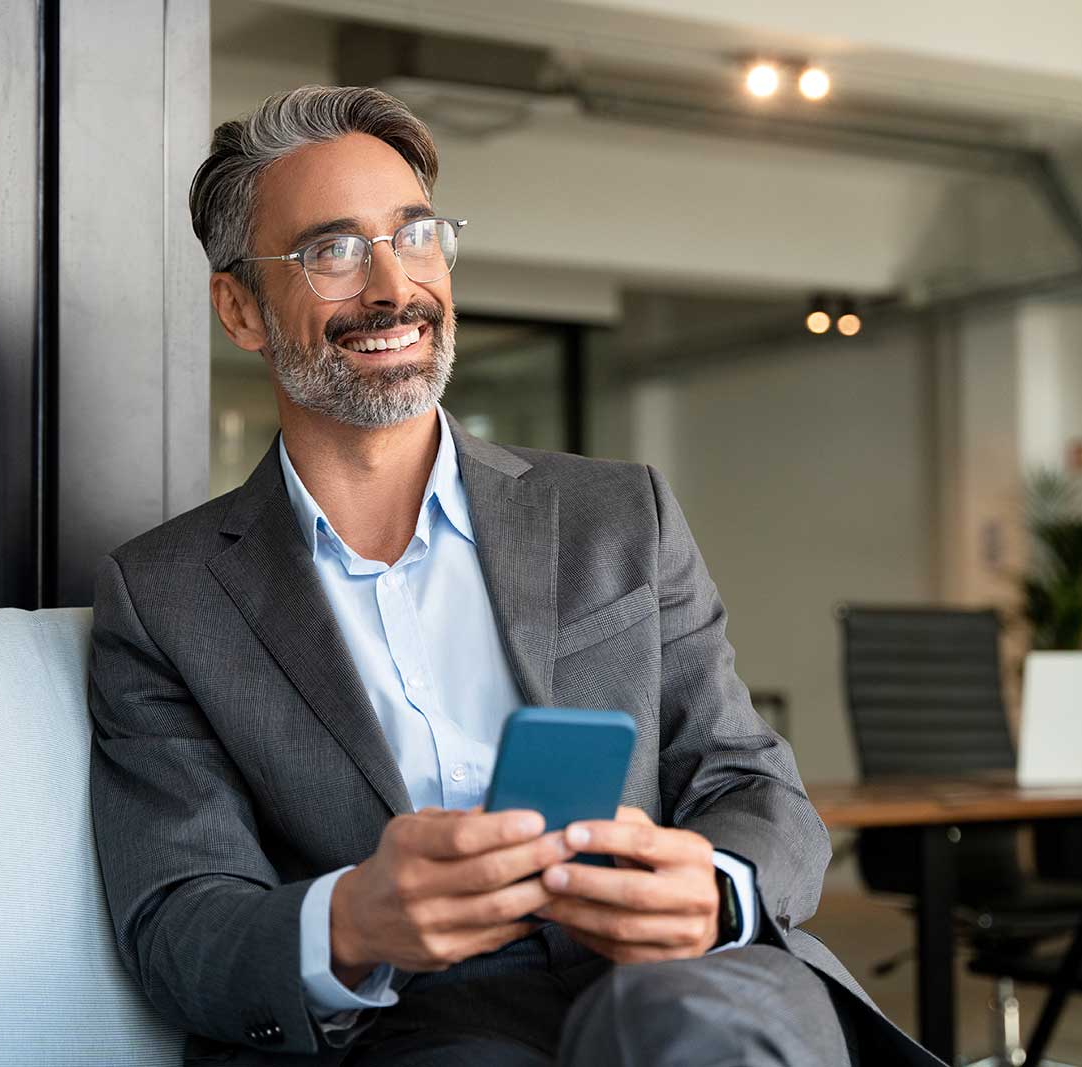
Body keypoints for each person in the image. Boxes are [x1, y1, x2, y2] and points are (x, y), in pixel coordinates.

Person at [87, 84, 939, 1067]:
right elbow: (175, 921)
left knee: (699, 1028)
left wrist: (713, 884)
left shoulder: (620, 514)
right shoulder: (165, 598)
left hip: (680, 976)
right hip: (414, 1020)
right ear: (239, 306)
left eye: (413, 235)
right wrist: (353, 917)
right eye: (332, 250)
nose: (390, 286)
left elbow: (747, 780)